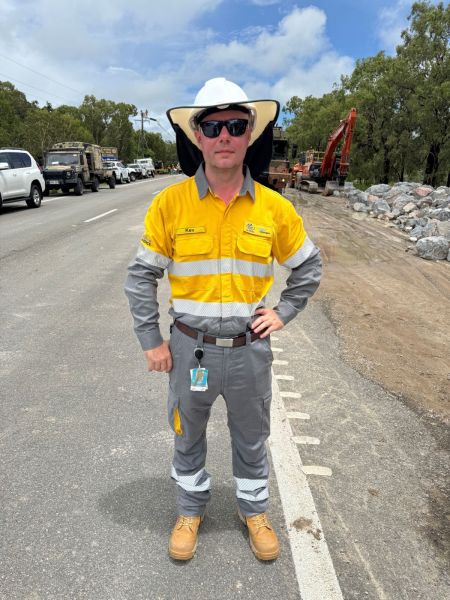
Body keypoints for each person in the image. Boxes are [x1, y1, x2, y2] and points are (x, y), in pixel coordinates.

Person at [125, 77, 322, 562]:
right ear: (198, 137)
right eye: (212, 126)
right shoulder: (170, 204)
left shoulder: (275, 208)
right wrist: (152, 341)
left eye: (236, 124)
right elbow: (140, 276)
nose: (224, 136)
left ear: (250, 133)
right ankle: (190, 509)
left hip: (248, 352)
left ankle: (253, 511)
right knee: (186, 434)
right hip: (189, 348)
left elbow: (308, 267)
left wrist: (284, 311)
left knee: (251, 438)